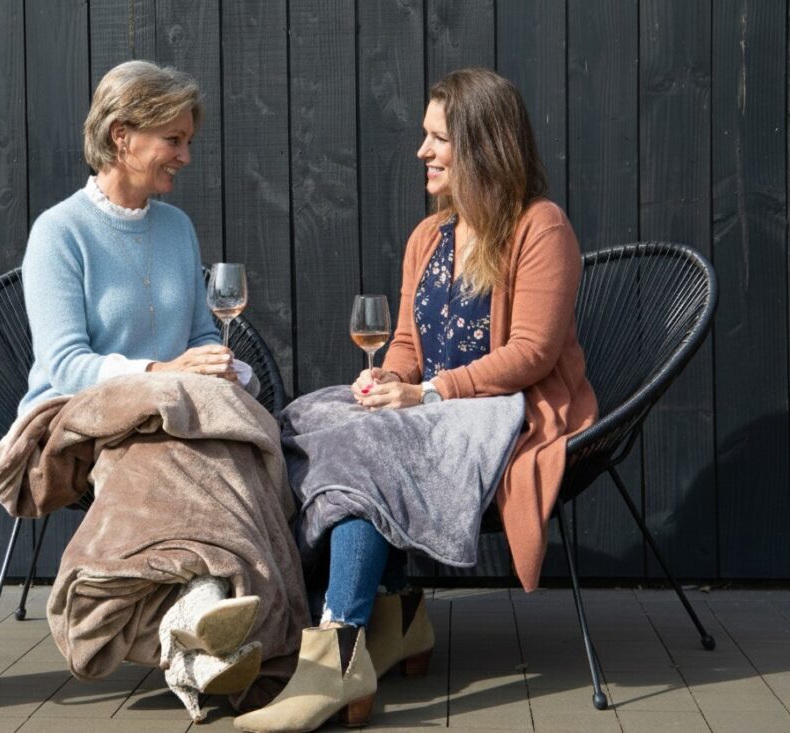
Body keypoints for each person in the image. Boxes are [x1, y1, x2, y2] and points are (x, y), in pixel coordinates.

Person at [235, 67, 598, 733]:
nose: (421, 151)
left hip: (504, 414)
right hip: (428, 411)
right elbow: (404, 342)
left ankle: (339, 646)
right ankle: (393, 613)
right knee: (307, 421)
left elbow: (531, 354)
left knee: (364, 446)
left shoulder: (541, 228)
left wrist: (426, 390)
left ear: (481, 145)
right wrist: (386, 379)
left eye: (437, 138)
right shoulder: (430, 237)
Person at [13, 60, 307, 721]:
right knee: (193, 441)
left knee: (219, 437)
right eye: (173, 139)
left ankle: (197, 622)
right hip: (82, 418)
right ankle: (205, 608)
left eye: (187, 140)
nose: (185, 155)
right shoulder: (59, 233)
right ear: (122, 135)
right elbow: (66, 365)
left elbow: (205, 334)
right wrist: (163, 376)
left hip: (172, 413)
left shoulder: (176, 228)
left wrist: (223, 371)